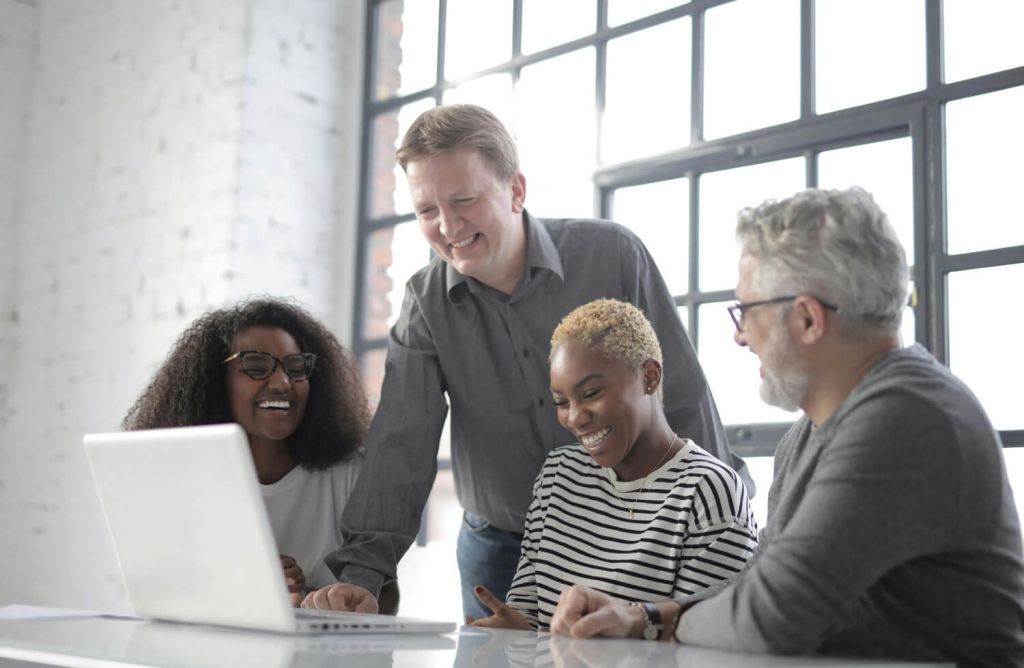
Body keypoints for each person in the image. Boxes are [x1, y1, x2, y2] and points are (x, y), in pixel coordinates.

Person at [302, 104, 751, 619]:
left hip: (632, 535)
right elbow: (401, 444)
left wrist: (724, 520)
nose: (447, 226)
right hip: (502, 547)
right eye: (427, 211)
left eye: (464, 201)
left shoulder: (612, 255)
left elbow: (682, 395)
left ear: (516, 191)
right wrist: (362, 574)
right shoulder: (425, 304)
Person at [549, 188, 1024, 666]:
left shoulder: (906, 417)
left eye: (746, 311)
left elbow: (768, 616)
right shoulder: (807, 436)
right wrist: (641, 617)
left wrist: (658, 623)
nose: (740, 335)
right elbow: (759, 592)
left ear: (807, 318)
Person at [466, 299, 758, 631]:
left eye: (591, 393)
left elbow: (704, 642)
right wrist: (514, 637)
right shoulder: (558, 476)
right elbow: (536, 626)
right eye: (562, 402)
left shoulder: (708, 490)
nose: (574, 417)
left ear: (649, 376)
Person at [122, 298, 398, 613]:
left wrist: (313, 598)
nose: (282, 383)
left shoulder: (349, 473)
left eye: (296, 368)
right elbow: (156, 595)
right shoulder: (177, 477)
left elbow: (386, 598)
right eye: (255, 366)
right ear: (216, 380)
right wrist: (250, 591)